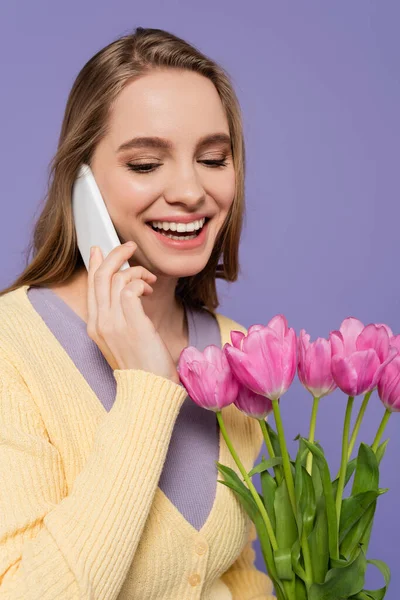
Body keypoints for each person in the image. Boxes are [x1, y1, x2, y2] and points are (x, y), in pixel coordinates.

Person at [0, 27, 275, 600]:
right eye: (147, 164)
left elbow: (236, 571)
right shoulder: (12, 349)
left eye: (213, 158)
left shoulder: (240, 351)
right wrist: (147, 389)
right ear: (82, 184)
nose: (191, 190)